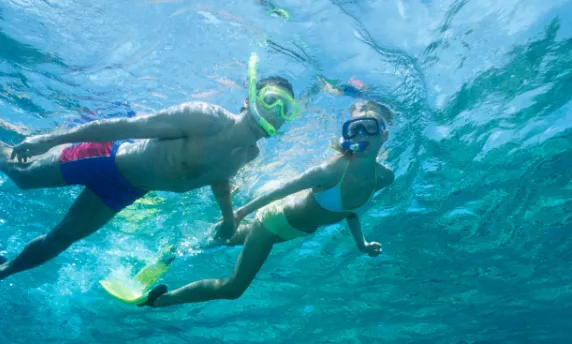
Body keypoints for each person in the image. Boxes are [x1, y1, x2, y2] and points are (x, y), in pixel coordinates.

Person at [0, 56, 300, 298]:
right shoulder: (204, 118)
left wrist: (228, 217)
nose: (275, 114)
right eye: (271, 101)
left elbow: (219, 179)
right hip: (105, 158)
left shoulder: (248, 154)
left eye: (286, 111)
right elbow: (124, 126)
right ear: (249, 98)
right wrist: (49, 139)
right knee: (18, 175)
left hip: (126, 189)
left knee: (61, 240)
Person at [141, 100, 395, 308]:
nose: (361, 134)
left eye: (369, 127)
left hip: (292, 232)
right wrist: (239, 213)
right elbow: (282, 190)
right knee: (233, 289)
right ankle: (160, 301)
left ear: (384, 135)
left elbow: (350, 211)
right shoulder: (331, 170)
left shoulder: (384, 178)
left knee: (224, 240)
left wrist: (362, 244)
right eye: (354, 129)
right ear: (346, 135)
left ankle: (175, 251)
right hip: (273, 221)